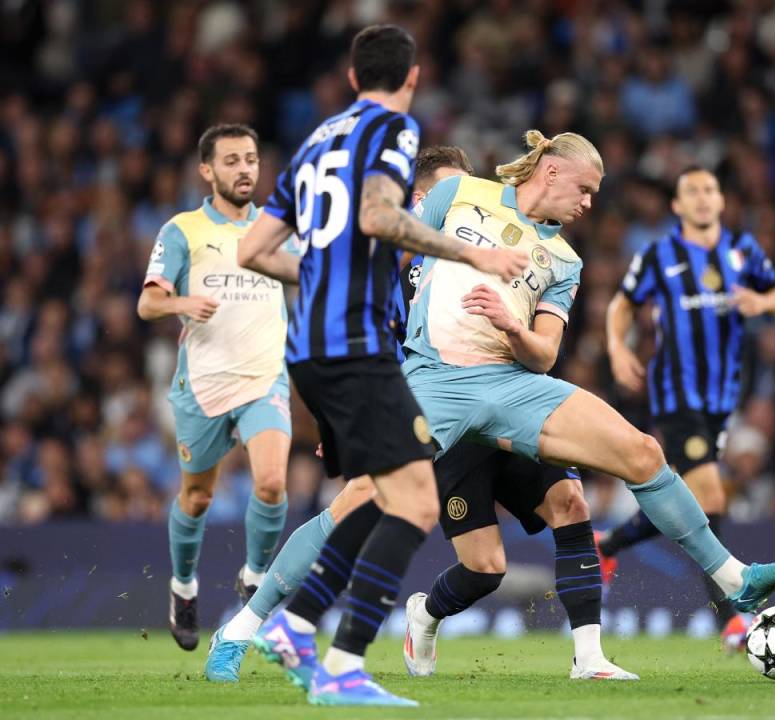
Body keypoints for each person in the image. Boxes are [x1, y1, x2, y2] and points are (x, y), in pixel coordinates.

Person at [399, 130, 775, 656]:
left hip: (511, 393)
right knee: (482, 569)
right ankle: (384, 615)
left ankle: (604, 651)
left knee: (589, 491)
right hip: (444, 410)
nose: (589, 203)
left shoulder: (560, 259)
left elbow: (545, 354)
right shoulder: (416, 255)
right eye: (585, 189)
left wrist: (513, 328)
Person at [227, 25, 527, 708]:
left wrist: (315, 270)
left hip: (309, 348)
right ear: (412, 77)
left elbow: (250, 250)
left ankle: (297, 626)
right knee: (417, 502)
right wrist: (473, 253)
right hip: (356, 346)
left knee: (385, 492)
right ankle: (342, 662)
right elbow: (379, 217)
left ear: (354, 76)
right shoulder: (393, 130)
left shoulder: (312, 143)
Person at [204, 145, 471, 684]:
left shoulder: (454, 260)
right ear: (422, 200)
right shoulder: (383, 251)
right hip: (393, 395)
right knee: (355, 506)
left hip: (464, 398)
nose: (468, 208)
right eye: (455, 196)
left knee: (544, 509)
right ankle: (247, 630)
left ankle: (586, 645)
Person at [599, 166, 775, 645]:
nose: (703, 199)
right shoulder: (659, 255)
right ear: (677, 206)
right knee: (711, 496)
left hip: (721, 399)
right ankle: (732, 616)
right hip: (676, 396)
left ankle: (610, 542)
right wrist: (618, 348)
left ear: (721, 201)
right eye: (692, 192)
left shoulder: (743, 250)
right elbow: (621, 303)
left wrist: (761, 305)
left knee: (685, 499)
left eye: (710, 190)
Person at [137, 124, 291, 652]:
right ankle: (183, 586)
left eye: (250, 158)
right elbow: (147, 303)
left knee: (271, 482)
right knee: (197, 496)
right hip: (203, 383)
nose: (244, 168)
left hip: (265, 376)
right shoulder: (181, 230)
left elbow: (308, 283)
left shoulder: (277, 228)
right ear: (207, 170)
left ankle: (252, 578)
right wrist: (182, 303)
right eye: (231, 160)